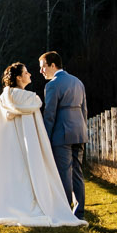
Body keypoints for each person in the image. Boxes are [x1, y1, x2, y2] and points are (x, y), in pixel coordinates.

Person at [0, 62, 84, 227]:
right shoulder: (31, 100)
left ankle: (9, 205)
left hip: (8, 148)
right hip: (29, 148)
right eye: (26, 72)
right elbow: (34, 128)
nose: (30, 75)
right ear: (19, 78)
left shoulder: (3, 99)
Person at [38, 51, 88, 217]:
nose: (41, 71)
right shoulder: (78, 82)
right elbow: (84, 110)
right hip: (79, 132)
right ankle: (79, 212)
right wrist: (83, 130)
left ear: (53, 65)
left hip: (62, 134)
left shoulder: (53, 85)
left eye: (43, 67)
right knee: (77, 172)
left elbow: (50, 114)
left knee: (64, 173)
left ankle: (65, 211)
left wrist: (44, 137)